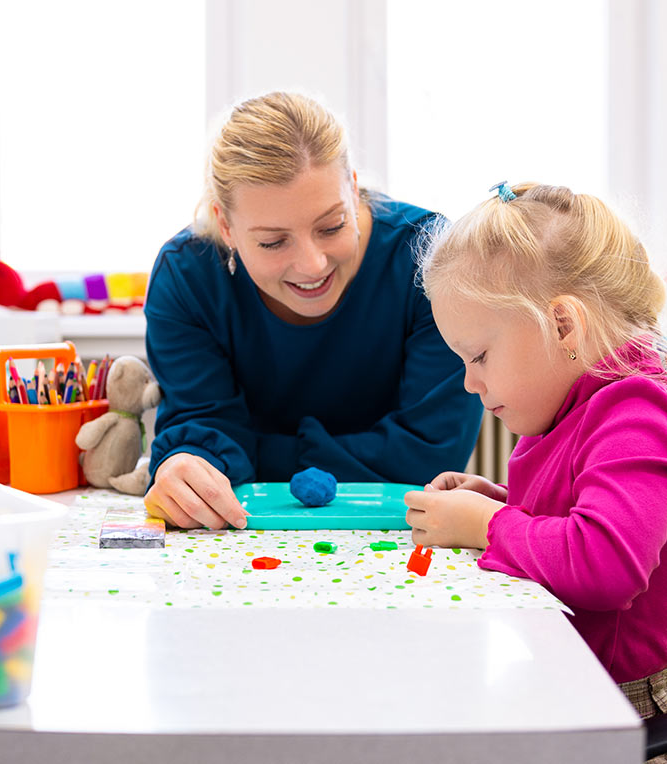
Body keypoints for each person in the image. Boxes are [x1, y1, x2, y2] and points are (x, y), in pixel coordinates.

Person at [142, 91, 483, 530]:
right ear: (225, 226)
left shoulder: (432, 259)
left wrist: (252, 453)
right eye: (272, 241)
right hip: (244, 537)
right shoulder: (186, 277)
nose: (312, 265)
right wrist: (186, 467)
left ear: (354, 188)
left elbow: (429, 455)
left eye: (332, 225)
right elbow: (200, 431)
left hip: (402, 533)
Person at [404, 181, 667, 737]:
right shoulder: (573, 400)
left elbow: (606, 564)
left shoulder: (634, 409)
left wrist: (488, 526)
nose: (470, 383)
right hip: (582, 683)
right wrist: (497, 502)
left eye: (478, 356)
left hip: (635, 714)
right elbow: (578, 513)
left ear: (563, 325)